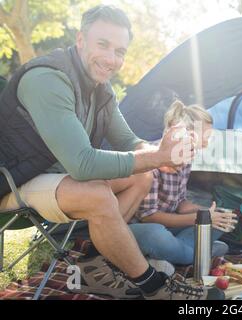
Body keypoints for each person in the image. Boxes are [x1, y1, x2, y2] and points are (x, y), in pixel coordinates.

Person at [0, 5, 223, 300]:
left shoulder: (102, 90)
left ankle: (97, 265)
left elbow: (130, 142)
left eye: (120, 51)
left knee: (144, 176)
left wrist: (163, 154)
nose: (111, 59)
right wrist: (156, 157)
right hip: (13, 180)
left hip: (53, 177)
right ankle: (154, 287)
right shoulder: (47, 79)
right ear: (80, 40)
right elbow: (82, 165)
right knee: (98, 194)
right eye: (102, 45)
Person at [129, 100, 238, 265]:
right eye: (206, 137)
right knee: (156, 235)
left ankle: (178, 252)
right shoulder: (152, 159)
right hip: (143, 226)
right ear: (189, 133)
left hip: (170, 226)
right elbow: (148, 217)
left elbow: (179, 204)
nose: (207, 143)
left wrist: (205, 212)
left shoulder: (186, 159)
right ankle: (198, 253)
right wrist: (200, 219)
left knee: (224, 219)